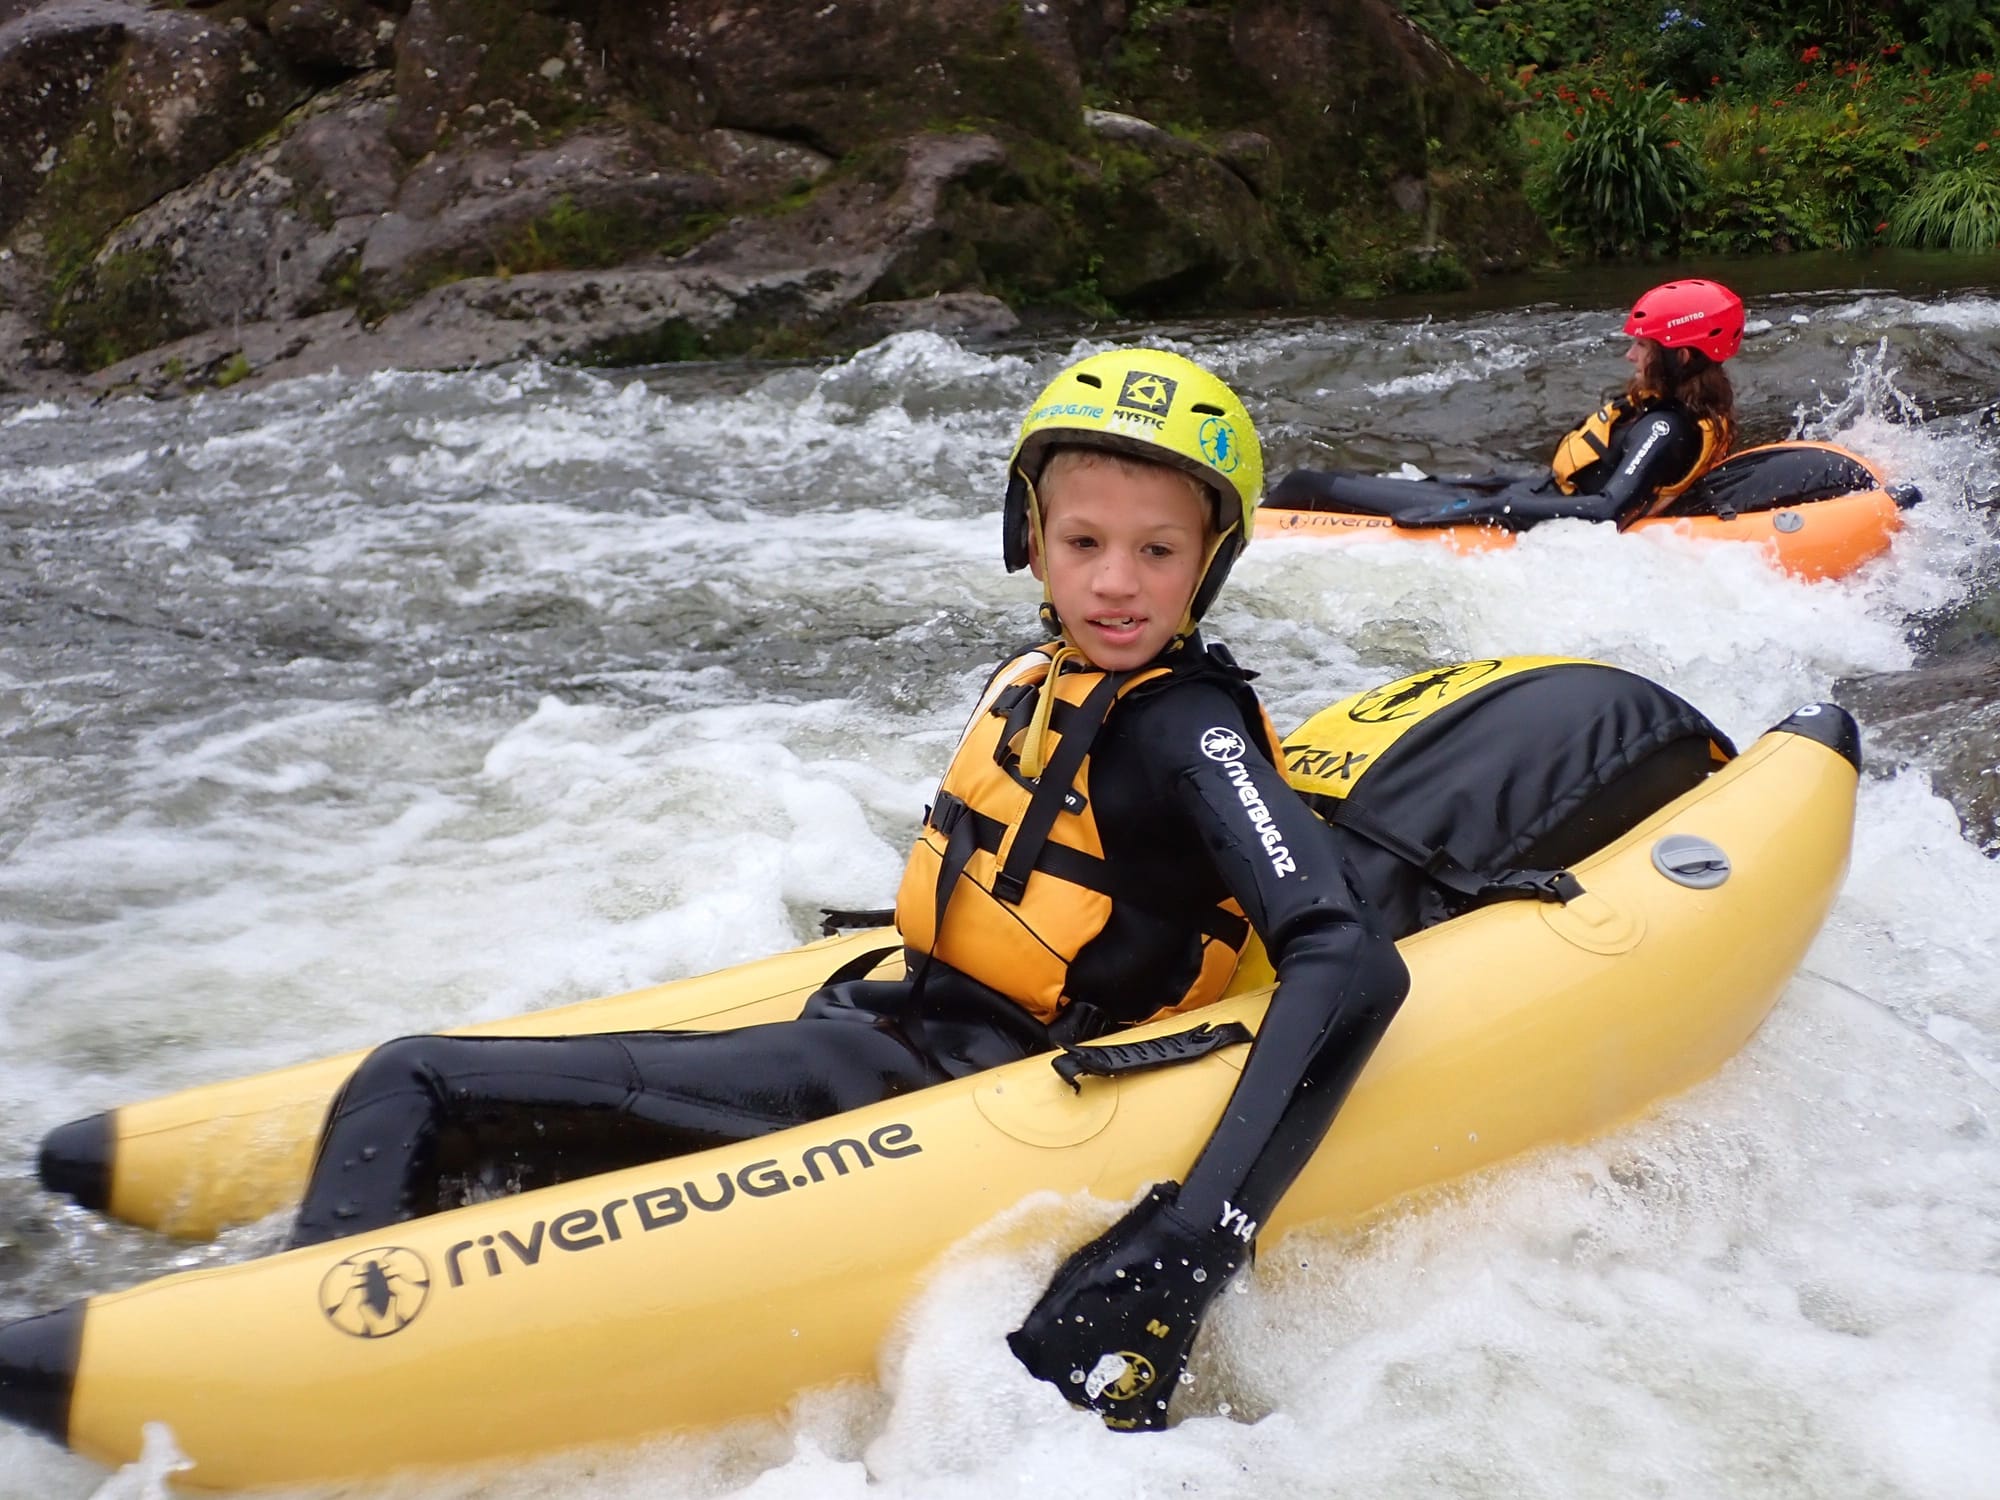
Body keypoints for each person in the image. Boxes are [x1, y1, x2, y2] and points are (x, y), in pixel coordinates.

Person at [284, 348, 1410, 1431]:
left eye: (1157, 551)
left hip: (959, 1094)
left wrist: (1193, 1243)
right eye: (1084, 541)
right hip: (903, 1030)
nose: (1116, 582)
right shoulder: (1048, 676)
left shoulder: (1186, 729)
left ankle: (299, 1368)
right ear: (1031, 538)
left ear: (1210, 559)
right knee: (466, 1123)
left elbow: (1347, 959)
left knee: (410, 1080)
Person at [1269, 279, 1744, 530]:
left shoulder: (1667, 428)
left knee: (1304, 484)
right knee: (1314, 482)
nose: (1630, 355)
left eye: (1643, 346)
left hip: (1527, 511)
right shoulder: (1673, 406)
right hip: (1531, 492)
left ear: (1681, 356)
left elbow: (1606, 510)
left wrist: (1494, 508)